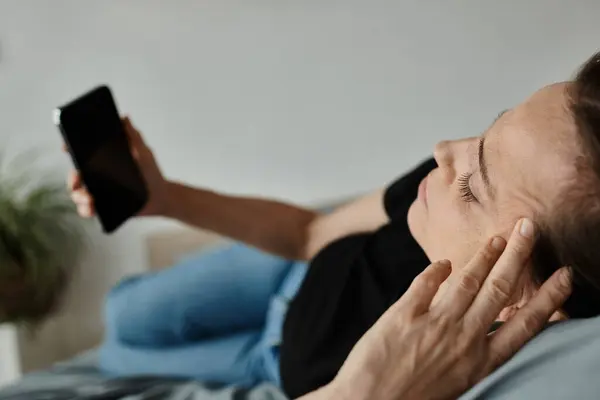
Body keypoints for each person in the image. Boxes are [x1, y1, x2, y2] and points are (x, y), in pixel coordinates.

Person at [68, 51, 600, 398]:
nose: (443, 151)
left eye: (471, 184)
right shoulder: (432, 190)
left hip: (275, 376)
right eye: (485, 132)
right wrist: (165, 198)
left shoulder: (461, 372)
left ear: (529, 298)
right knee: (121, 313)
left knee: (116, 357)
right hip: (291, 277)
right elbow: (308, 234)